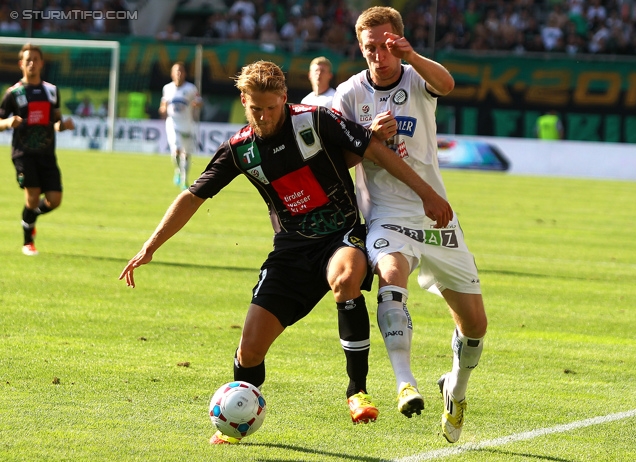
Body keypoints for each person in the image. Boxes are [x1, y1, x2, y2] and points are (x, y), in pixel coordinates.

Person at [119, 60, 452, 444]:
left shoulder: (316, 119)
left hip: (342, 235)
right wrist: (150, 246)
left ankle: (356, 391)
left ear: (284, 98)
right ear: (243, 101)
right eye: (255, 109)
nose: (263, 116)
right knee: (249, 350)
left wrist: (428, 194)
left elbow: (376, 150)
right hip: (291, 250)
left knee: (345, 279)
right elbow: (193, 197)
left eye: (271, 108)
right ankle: (236, 418)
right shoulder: (240, 149)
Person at [332, 7, 488, 444]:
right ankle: (405, 382)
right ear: (360, 49)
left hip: (435, 214)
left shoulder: (416, 76)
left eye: (386, 46)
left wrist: (413, 56)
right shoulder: (348, 95)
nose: (378, 55)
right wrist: (367, 137)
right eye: (369, 48)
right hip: (386, 213)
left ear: (398, 42)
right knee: (391, 273)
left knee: (475, 324)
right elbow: (338, 159)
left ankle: (454, 389)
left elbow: (447, 84)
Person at [0, 43, 75, 256]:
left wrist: (64, 125)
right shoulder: (13, 93)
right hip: (23, 153)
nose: (32, 63)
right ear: (21, 64)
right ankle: (28, 242)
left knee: (55, 200)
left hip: (47, 153)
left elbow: (55, 123)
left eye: (35, 59)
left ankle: (29, 217)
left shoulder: (51, 91)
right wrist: (8, 123)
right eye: (28, 59)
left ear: (42, 63)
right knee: (32, 195)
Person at [159, 62, 202, 190]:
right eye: (176, 71)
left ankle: (184, 178)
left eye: (181, 71)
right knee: (176, 150)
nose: (179, 74)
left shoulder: (191, 88)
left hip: (187, 124)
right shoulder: (167, 88)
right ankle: (179, 172)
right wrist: (162, 109)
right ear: (172, 74)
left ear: (185, 74)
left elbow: (199, 101)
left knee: (186, 153)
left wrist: (197, 105)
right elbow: (164, 103)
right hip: (172, 123)